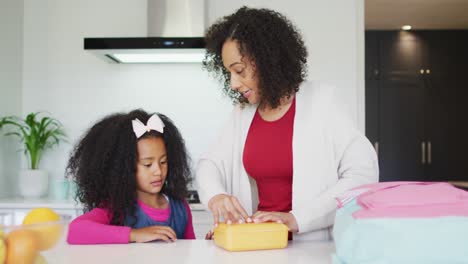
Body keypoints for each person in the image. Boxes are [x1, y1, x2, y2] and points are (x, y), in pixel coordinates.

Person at [197, 6, 379, 241]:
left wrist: (296, 218)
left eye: (239, 71)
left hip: (313, 247)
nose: (233, 83)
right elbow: (208, 164)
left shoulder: (323, 102)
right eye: (229, 73)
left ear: (266, 60)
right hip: (260, 244)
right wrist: (216, 196)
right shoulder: (242, 114)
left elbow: (362, 174)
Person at [66, 109, 195, 244]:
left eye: (163, 162)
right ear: (125, 168)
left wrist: (208, 244)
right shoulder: (117, 208)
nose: (158, 171)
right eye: (147, 164)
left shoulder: (180, 207)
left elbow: (189, 250)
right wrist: (134, 235)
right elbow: (75, 231)